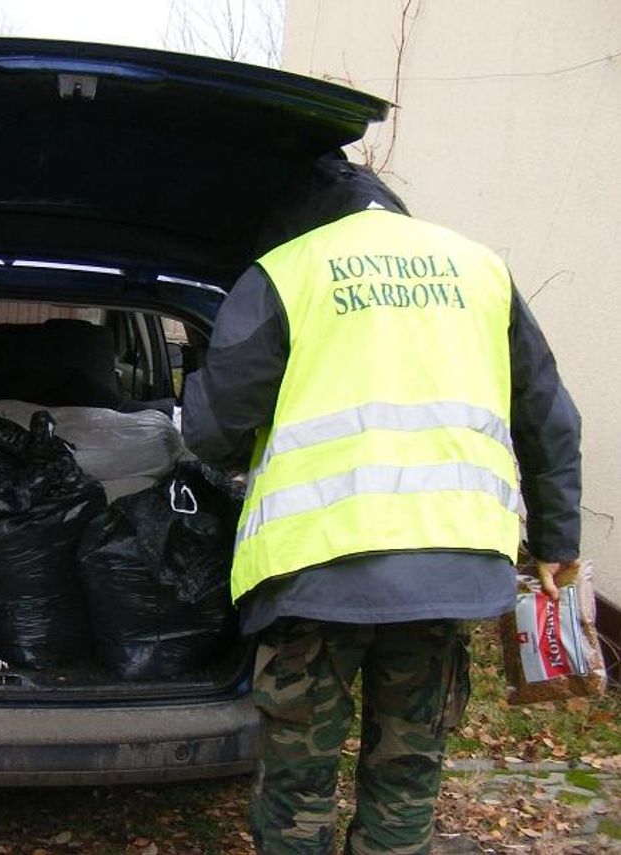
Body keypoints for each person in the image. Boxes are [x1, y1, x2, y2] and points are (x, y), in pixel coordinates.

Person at [182, 154, 581, 855]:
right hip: (445, 570)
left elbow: (214, 430)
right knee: (407, 766)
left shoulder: (290, 268)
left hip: (315, 572)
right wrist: (556, 539)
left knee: (300, 779)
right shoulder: (479, 268)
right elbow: (550, 416)